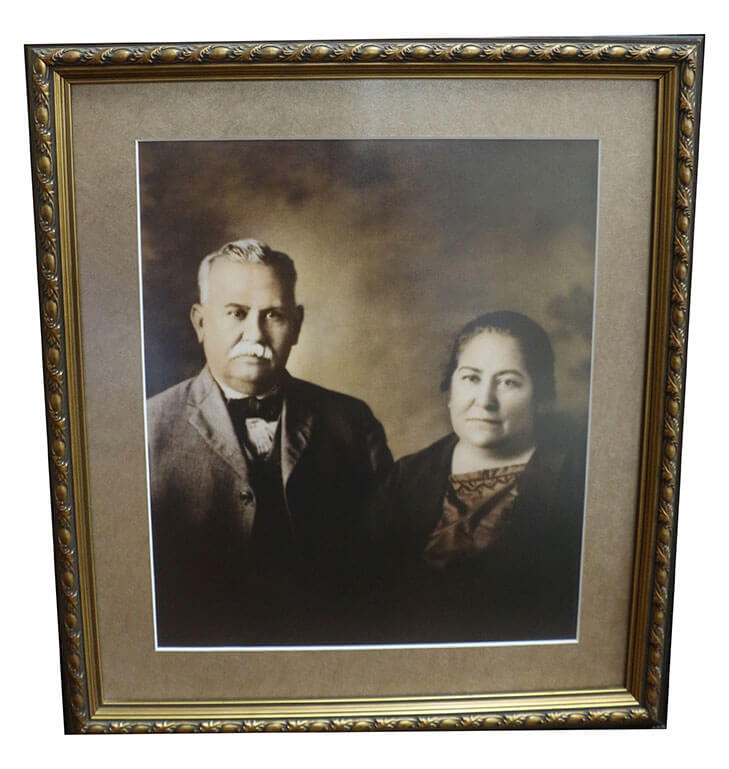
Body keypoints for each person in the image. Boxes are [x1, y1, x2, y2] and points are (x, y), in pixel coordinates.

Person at [146, 238, 393, 646]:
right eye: (236, 313)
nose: (255, 333)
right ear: (201, 322)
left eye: (273, 315)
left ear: (296, 325)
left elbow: (387, 565)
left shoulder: (352, 422)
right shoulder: (148, 429)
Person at [369, 311, 586, 644]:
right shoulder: (406, 477)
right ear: (450, 389)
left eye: (508, 382)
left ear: (540, 396)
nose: (485, 401)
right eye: (471, 378)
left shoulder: (576, 481)